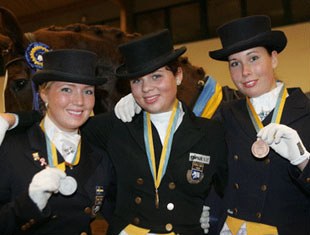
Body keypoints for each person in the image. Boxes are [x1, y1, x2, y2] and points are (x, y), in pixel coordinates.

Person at [0, 29, 227, 235]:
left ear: (178, 76)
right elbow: (60, 120)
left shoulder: (212, 133)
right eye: (137, 80)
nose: (147, 88)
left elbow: (231, 185)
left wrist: (209, 214)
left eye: (156, 76)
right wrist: (13, 119)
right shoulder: (113, 127)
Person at [113, 15, 310, 235]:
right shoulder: (226, 114)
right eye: (235, 63)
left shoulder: (306, 112)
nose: (245, 71)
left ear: (273, 58)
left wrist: (303, 160)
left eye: (253, 58)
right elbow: (202, 164)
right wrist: (144, 99)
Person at [0, 49, 116, 234]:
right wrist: (27, 205)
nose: (79, 101)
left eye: (88, 91)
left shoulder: (100, 154)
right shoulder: (9, 149)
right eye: (66, 89)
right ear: (44, 94)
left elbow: (119, 212)